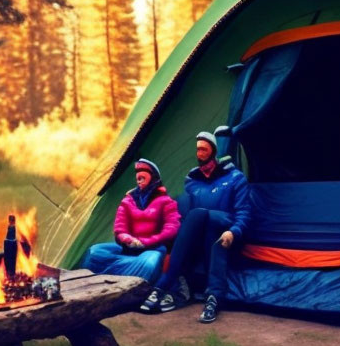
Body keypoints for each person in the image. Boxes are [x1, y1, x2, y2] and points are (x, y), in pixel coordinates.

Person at [140, 129, 250, 323]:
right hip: (205, 234)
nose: (199, 154)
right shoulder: (192, 181)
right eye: (197, 150)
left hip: (227, 228)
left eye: (204, 149)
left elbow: (244, 213)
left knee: (202, 216)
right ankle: (212, 299)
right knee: (201, 221)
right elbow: (186, 217)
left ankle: (163, 285)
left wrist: (233, 232)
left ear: (214, 151)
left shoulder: (235, 178)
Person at [81, 159, 180, 283]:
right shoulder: (128, 200)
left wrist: (145, 242)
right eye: (137, 172)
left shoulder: (166, 202)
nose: (139, 175)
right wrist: (127, 238)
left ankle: (119, 280)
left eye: (143, 171)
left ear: (153, 176)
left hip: (152, 250)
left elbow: (172, 229)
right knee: (94, 252)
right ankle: (123, 274)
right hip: (128, 249)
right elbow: (119, 227)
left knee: (148, 264)